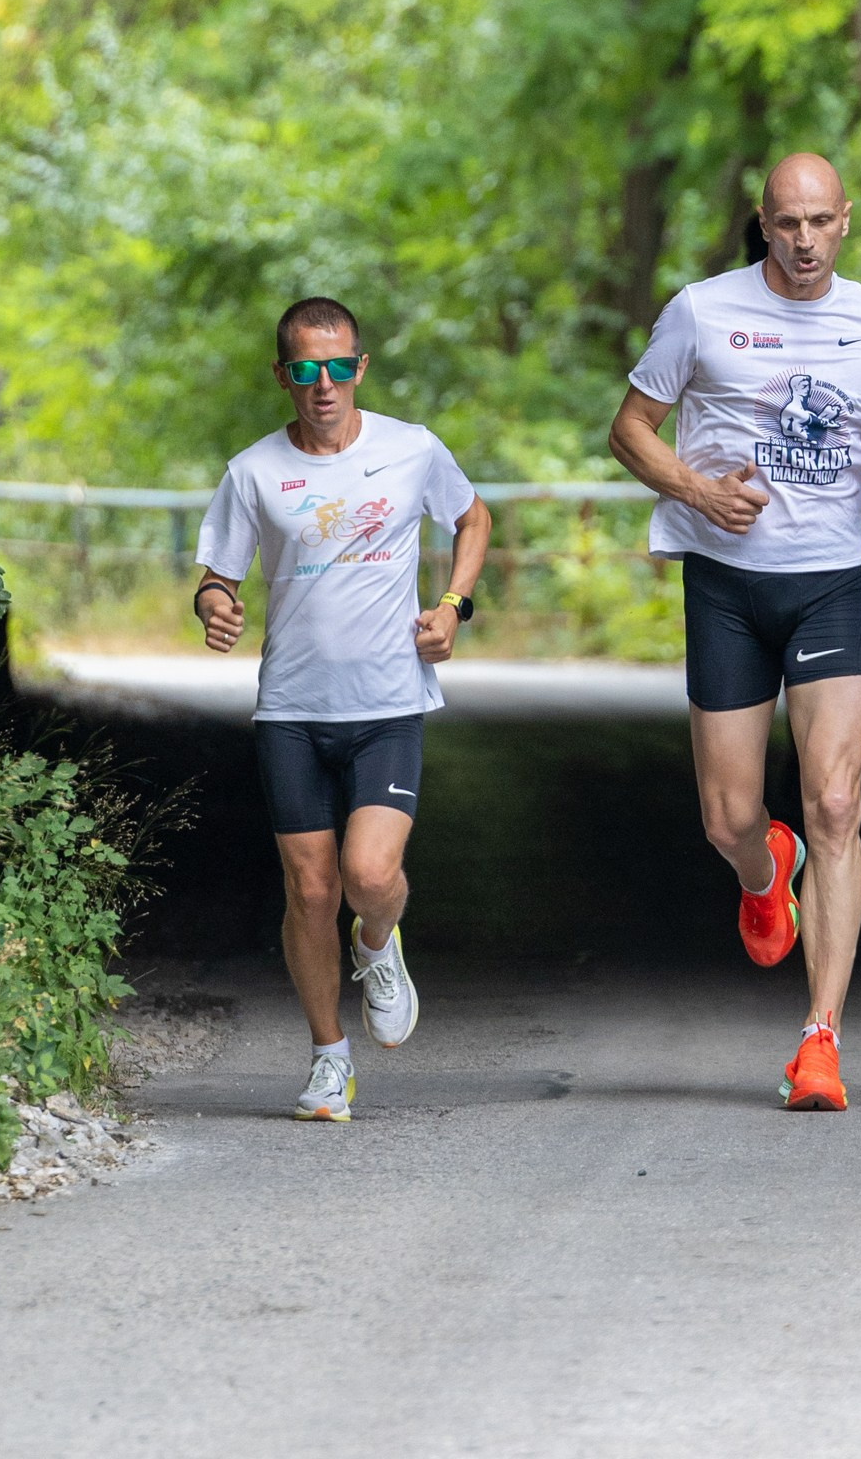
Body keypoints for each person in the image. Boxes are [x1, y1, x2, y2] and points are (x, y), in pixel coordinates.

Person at [609, 153, 861, 1111]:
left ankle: (821, 1040)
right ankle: (769, 870)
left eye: (819, 222)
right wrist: (693, 489)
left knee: (836, 801)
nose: (803, 241)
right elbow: (631, 427)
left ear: (845, 221)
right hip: (726, 585)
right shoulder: (699, 311)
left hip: (831, 583)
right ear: (763, 223)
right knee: (727, 818)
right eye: (785, 223)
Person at [192, 297, 491, 1123]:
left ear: (359, 368)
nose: (322, 385)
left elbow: (473, 517)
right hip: (291, 707)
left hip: (389, 701)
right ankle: (330, 1061)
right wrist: (213, 602)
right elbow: (218, 572)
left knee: (368, 878)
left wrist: (454, 604)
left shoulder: (411, 449)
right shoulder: (252, 472)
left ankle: (377, 943)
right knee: (310, 891)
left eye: (336, 367)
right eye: (303, 369)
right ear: (282, 375)